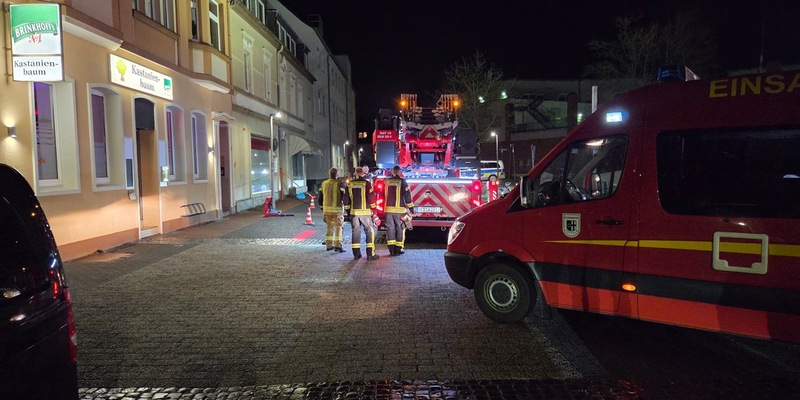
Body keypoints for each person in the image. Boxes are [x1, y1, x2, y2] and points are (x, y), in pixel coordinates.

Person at [343, 167, 379, 260]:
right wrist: (374, 209)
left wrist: (348, 211)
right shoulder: (367, 184)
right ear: (363, 173)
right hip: (365, 213)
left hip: (354, 213)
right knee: (369, 231)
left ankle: (356, 254)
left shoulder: (349, 184)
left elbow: (346, 200)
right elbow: (371, 198)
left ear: (355, 173)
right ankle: (370, 254)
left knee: (355, 232)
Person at [383, 165, 414, 256]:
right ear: (400, 172)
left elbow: (382, 195)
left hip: (388, 210)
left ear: (392, 172)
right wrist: (411, 208)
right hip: (399, 210)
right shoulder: (402, 182)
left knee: (390, 228)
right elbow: (407, 196)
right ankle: (399, 249)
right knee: (400, 228)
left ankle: (391, 249)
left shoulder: (387, 181)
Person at [318, 168, 346, 253]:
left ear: (329, 175)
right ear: (337, 175)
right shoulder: (339, 183)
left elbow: (320, 197)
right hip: (337, 210)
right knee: (338, 228)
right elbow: (343, 195)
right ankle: (338, 246)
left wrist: (322, 208)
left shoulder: (324, 183)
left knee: (329, 227)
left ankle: (329, 245)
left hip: (326, 210)